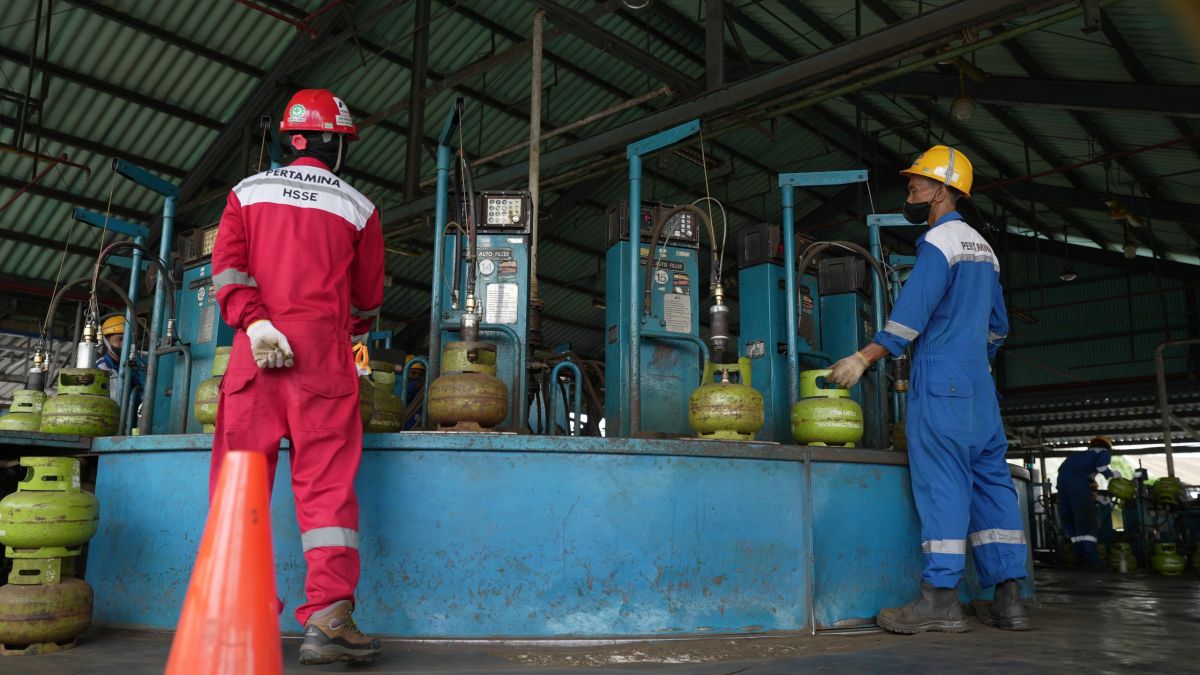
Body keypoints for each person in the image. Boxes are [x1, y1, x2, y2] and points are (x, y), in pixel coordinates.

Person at [210, 88, 385, 665]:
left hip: (254, 352)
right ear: (336, 145)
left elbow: (227, 270)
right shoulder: (358, 207)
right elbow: (366, 299)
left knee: (240, 487)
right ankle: (328, 622)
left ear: (290, 140)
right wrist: (330, 326)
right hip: (322, 358)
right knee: (326, 489)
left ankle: (239, 619)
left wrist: (257, 321)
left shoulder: (245, 192)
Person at [828, 145, 1029, 633]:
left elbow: (911, 315)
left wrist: (864, 357)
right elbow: (998, 328)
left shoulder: (940, 242)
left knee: (944, 484)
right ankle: (1009, 600)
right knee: (992, 485)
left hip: (943, 378)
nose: (910, 192)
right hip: (979, 384)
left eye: (916, 185)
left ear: (942, 191)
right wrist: (973, 360)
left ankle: (939, 600)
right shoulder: (984, 249)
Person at [1056, 435, 1121, 569]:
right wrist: (1113, 475)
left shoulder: (1078, 456)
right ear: (1107, 446)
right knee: (1086, 521)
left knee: (1071, 522)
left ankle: (1079, 556)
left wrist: (1096, 497)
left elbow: (1075, 479)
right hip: (1077, 484)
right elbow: (1102, 468)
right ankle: (1091, 558)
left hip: (1062, 486)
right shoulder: (1103, 452)